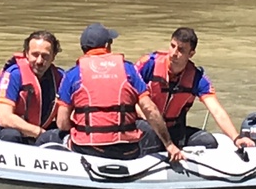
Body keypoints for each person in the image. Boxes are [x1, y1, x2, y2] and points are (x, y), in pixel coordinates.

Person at [36, 23, 185, 162]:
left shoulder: (72, 75)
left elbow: (62, 123)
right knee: (145, 128)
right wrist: (169, 144)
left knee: (46, 138)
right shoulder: (128, 70)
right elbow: (150, 109)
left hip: (88, 149)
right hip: (127, 151)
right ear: (107, 45)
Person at [135, 27, 256, 150]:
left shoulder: (197, 78)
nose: (174, 53)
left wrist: (236, 137)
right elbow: (127, 95)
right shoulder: (149, 64)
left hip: (172, 129)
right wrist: (152, 121)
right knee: (151, 134)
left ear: (191, 54)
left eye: (181, 50)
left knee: (208, 142)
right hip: (143, 124)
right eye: (172, 46)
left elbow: (216, 110)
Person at [0, 30, 64, 144]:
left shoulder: (60, 78)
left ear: (53, 57)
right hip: (3, 129)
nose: (39, 61)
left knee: (63, 135)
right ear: (26, 54)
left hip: (37, 130)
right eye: (35, 54)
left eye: (45, 56)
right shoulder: (14, 75)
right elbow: (5, 118)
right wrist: (38, 132)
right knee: (11, 135)